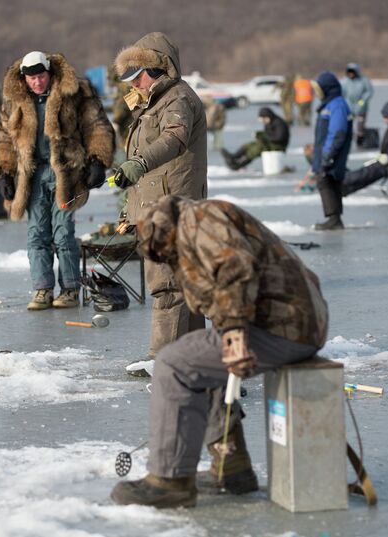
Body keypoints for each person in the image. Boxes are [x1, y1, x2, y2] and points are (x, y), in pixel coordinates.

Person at [110, 195, 329, 508]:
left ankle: (170, 480)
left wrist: (235, 334)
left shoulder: (199, 221)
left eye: (164, 253)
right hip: (295, 323)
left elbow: (235, 268)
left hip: (284, 325)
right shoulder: (199, 222)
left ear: (163, 231)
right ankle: (232, 468)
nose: (167, 260)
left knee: (173, 363)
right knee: (200, 360)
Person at [110, 32, 208, 374]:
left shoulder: (177, 99)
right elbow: (143, 161)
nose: (134, 84)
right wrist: (130, 204)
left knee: (168, 283)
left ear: (158, 68)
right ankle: (191, 354)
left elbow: (173, 139)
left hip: (173, 205)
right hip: (156, 203)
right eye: (130, 78)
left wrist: (136, 166)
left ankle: (164, 358)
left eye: (138, 76)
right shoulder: (152, 102)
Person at [0, 51, 115, 311]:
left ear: (49, 72)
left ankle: (70, 289)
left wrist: (97, 160)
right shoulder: (14, 100)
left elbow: (97, 125)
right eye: (32, 79)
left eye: (41, 77)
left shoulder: (75, 92)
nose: (37, 83)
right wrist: (4, 172)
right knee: (37, 234)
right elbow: (4, 138)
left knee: (63, 233)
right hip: (33, 176)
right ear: (24, 79)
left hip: (67, 174)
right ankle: (42, 289)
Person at [311, 71, 353, 230]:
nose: (316, 94)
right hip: (326, 152)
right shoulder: (329, 104)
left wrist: (328, 155)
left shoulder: (337, 105)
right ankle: (335, 218)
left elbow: (337, 132)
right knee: (329, 181)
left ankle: (334, 219)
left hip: (332, 153)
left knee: (325, 181)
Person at [221, 107, 289, 171]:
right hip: (271, 143)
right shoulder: (269, 122)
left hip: (279, 146)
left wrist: (264, 137)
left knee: (258, 148)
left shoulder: (279, 124)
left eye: (263, 119)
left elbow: (280, 138)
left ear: (267, 117)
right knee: (250, 145)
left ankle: (239, 165)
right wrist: (260, 135)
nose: (262, 121)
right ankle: (234, 157)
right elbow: (267, 134)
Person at [341, 63, 374, 147]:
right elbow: (342, 93)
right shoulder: (345, 81)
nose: (351, 74)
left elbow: (369, 91)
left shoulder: (363, 80)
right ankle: (348, 141)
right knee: (348, 125)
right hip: (349, 107)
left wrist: (362, 101)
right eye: (349, 73)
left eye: (352, 72)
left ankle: (360, 140)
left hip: (361, 107)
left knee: (360, 125)